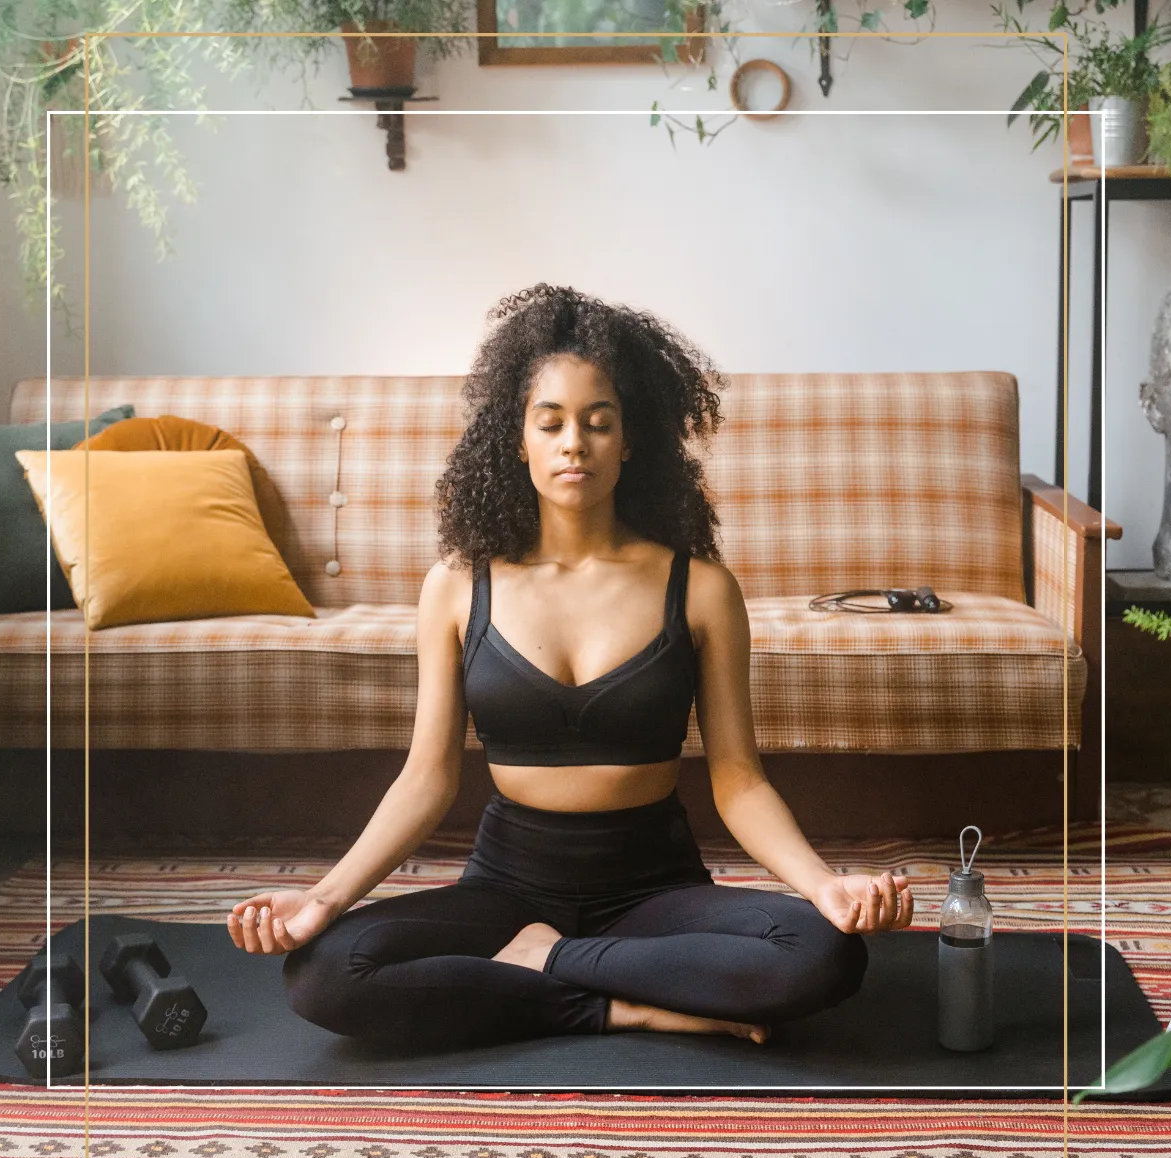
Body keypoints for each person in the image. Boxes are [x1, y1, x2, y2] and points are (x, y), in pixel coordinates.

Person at [226, 282, 913, 1056]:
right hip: (507, 885)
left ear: (630, 439)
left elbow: (739, 781)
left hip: (655, 888)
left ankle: (544, 962)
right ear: (517, 439)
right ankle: (624, 1005)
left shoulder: (702, 588)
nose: (574, 444)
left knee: (824, 956)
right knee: (323, 973)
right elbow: (427, 777)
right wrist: (323, 898)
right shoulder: (458, 585)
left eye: (598, 423)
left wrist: (825, 887)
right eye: (550, 423)